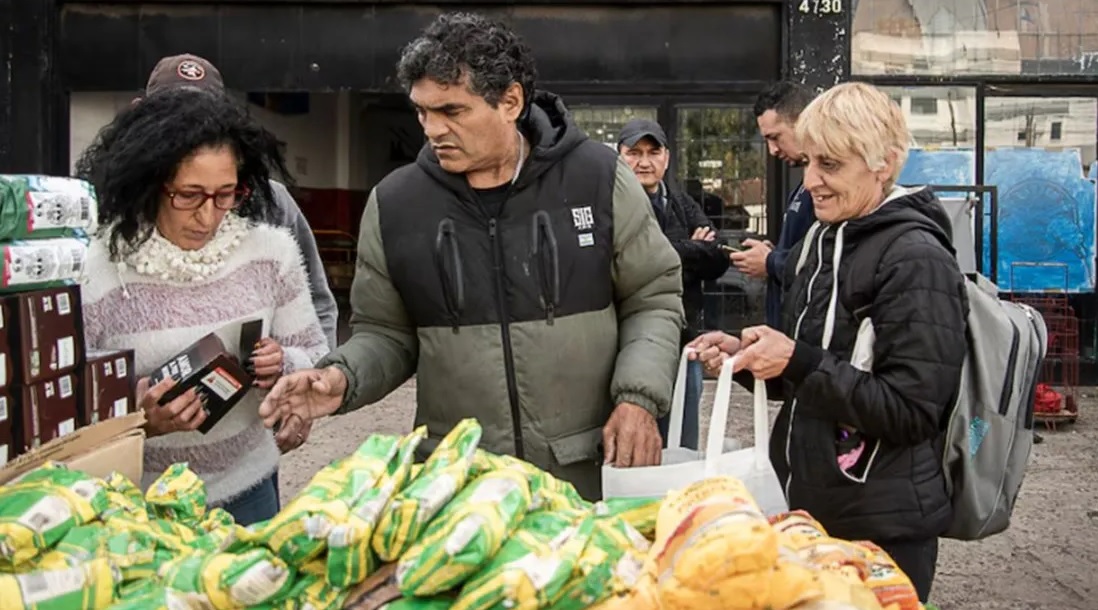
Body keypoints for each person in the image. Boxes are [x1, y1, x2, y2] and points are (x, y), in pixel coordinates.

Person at [257, 12, 684, 500]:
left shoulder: (599, 178)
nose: (432, 129)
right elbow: (387, 334)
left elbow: (653, 297)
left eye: (452, 111)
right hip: (460, 489)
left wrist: (639, 399)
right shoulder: (395, 204)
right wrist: (340, 377)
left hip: (584, 474)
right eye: (422, 111)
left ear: (510, 101)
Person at [689, 82, 968, 602]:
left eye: (831, 166)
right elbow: (813, 374)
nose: (812, 180)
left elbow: (912, 409)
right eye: (810, 162)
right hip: (814, 511)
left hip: (881, 528)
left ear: (883, 163)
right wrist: (747, 359)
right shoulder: (823, 236)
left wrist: (795, 359)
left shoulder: (916, 259)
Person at [76, 88, 329, 525]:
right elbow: (69, 400)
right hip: (139, 504)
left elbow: (315, 353)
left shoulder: (272, 253)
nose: (208, 216)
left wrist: (283, 364)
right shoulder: (98, 268)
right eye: (189, 195)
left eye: (225, 194)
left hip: (248, 493)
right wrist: (139, 418)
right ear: (151, 184)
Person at [142, 53, 339, 352]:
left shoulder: (271, 202)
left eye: (224, 196)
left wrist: (315, 375)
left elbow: (316, 303)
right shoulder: (117, 206)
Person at [617, 119, 729, 450]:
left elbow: (718, 258)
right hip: (631, 344)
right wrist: (690, 250)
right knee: (635, 441)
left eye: (653, 152)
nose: (644, 162)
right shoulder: (613, 205)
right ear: (620, 158)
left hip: (686, 340)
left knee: (682, 441)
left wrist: (674, 252)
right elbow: (629, 265)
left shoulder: (680, 202)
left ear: (666, 158)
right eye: (634, 153)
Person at [731, 81, 817, 329]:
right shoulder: (801, 190)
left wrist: (771, 261)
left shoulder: (829, 194)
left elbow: (827, 265)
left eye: (775, 137)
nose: (772, 150)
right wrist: (775, 253)